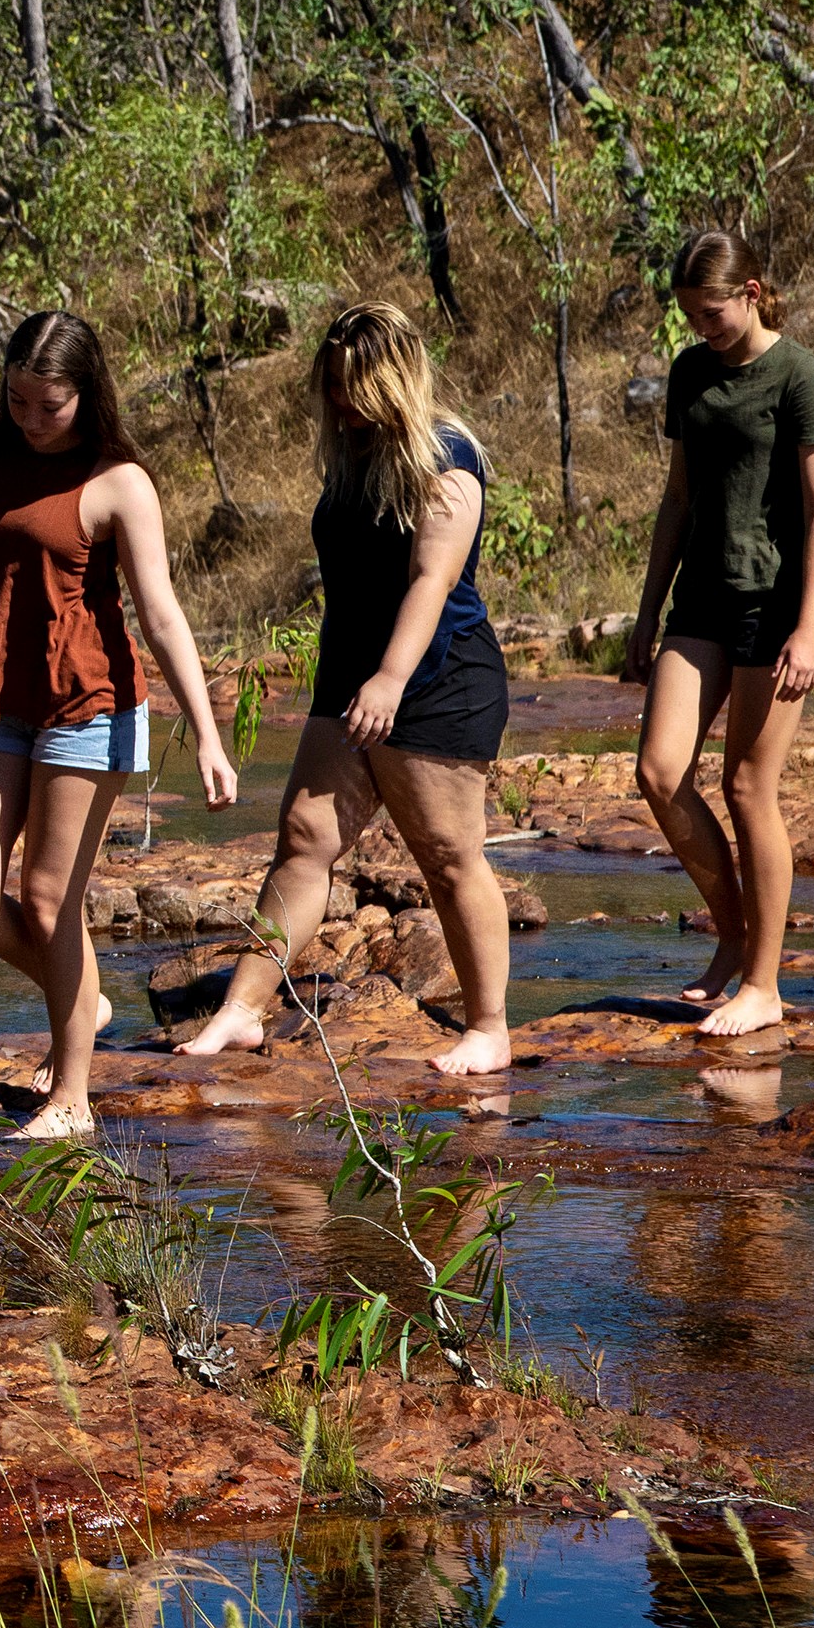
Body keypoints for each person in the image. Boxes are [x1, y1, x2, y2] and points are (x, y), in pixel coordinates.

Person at [0, 312, 240, 1143]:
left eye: (46, 405)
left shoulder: (118, 480)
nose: (28, 418)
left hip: (86, 701)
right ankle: (84, 1000)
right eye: (16, 399)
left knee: (48, 896)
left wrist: (206, 732)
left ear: (84, 393)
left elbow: (161, 615)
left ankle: (71, 1096)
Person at [179, 305, 519, 1081]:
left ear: (398, 379)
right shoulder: (351, 454)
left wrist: (391, 680)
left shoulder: (447, 457)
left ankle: (489, 1027)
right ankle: (240, 1011)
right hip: (350, 673)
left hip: (436, 678)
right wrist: (360, 680)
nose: (340, 400)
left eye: (355, 385)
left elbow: (431, 582)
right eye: (331, 384)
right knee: (303, 836)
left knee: (446, 854)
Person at [618, 229, 814, 1040]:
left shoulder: (800, 377)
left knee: (748, 788)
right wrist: (646, 610)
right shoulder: (688, 373)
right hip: (699, 599)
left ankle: (762, 982)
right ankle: (732, 937)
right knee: (658, 770)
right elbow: (676, 497)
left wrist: (810, 627)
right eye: (690, 316)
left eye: (709, 312)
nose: (701, 328)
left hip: (773, 606)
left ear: (750, 291)